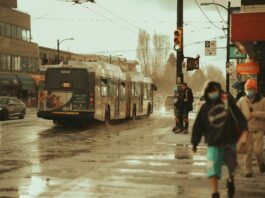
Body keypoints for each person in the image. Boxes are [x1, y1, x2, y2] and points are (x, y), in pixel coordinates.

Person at [191, 81, 248, 198]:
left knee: (231, 166)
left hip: (229, 140)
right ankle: (215, 192)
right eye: (210, 91)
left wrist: (244, 132)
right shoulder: (205, 108)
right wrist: (194, 143)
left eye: (215, 90)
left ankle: (230, 179)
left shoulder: (228, 102)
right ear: (207, 92)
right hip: (213, 142)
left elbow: (239, 117)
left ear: (218, 90)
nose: (213, 93)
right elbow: (198, 126)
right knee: (212, 169)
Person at [237, 79, 265, 177]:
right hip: (246, 130)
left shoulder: (262, 101)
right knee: (247, 152)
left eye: (251, 89)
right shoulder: (242, 101)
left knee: (258, 151)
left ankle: (262, 163)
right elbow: (237, 114)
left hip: (258, 130)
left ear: (255, 90)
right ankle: (248, 171)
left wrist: (256, 114)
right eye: (247, 89)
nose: (249, 91)